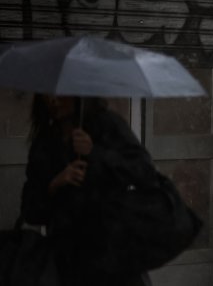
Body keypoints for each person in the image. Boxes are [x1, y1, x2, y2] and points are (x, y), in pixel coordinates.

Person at [19, 94, 155, 286]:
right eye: (46, 95)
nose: (53, 101)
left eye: (60, 94)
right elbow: (30, 211)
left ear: (78, 94)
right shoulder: (44, 143)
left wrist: (95, 153)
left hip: (113, 251)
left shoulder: (108, 126)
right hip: (67, 261)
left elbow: (143, 172)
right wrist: (55, 183)